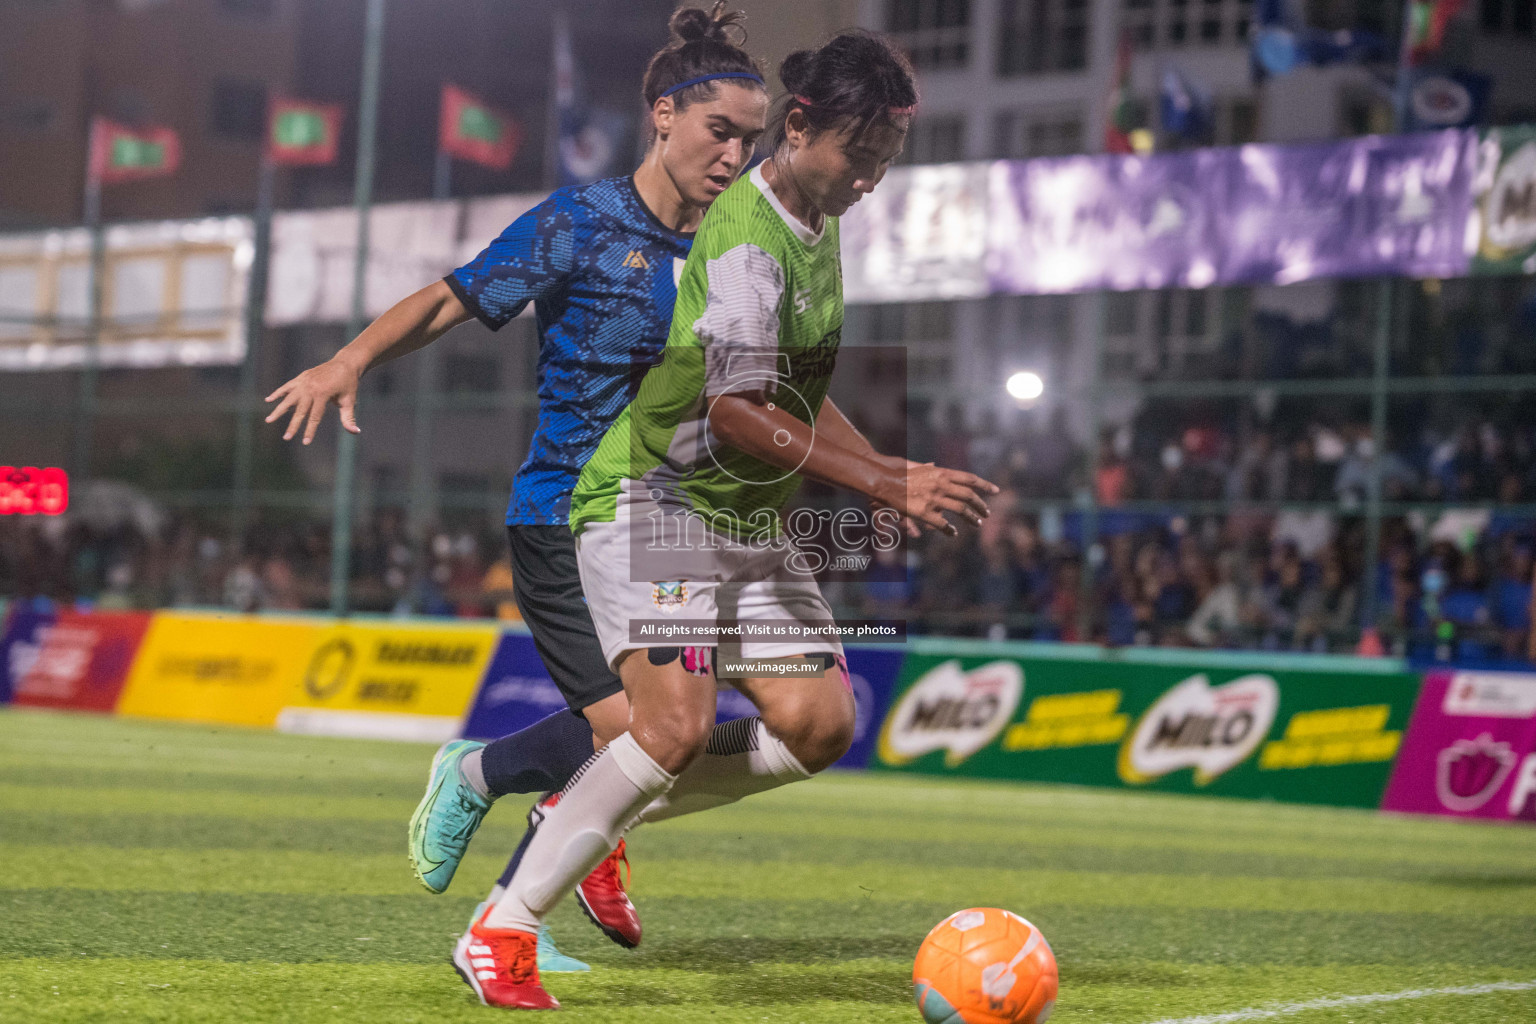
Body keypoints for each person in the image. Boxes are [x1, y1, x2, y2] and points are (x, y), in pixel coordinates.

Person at [461, 31, 997, 1009]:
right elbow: (734, 407)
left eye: (886, 159)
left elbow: (793, 386)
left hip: (743, 521)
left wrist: (884, 465)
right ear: (798, 128)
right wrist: (883, 488)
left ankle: (595, 805)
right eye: (860, 155)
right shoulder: (747, 237)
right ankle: (502, 929)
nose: (871, 177)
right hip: (654, 504)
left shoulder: (816, 213)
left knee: (819, 721)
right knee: (670, 727)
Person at [263, 1, 769, 986]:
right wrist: (350, 358)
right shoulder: (578, 223)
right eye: (721, 130)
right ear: (663, 115)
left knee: (679, 735)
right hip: (561, 518)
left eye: (751, 138)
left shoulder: (733, 248)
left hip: (668, 534)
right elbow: (456, 295)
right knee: (635, 732)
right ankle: (482, 779)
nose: (736, 154)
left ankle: (530, 882)